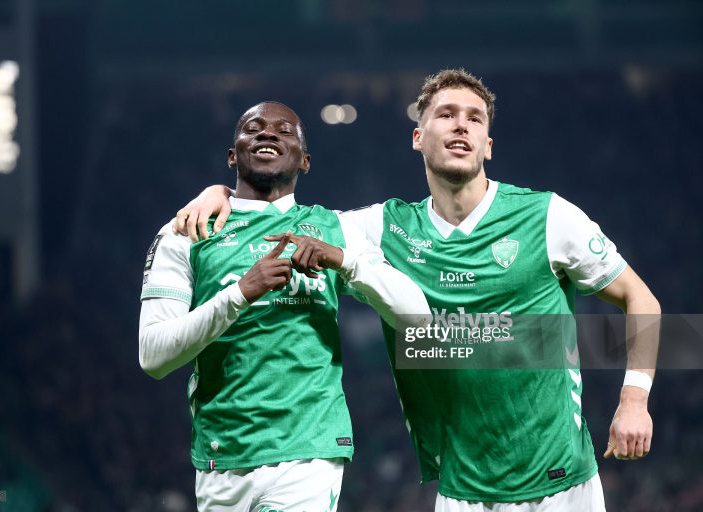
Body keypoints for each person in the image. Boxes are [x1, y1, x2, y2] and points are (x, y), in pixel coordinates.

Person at [173, 70, 661, 511]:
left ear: (488, 144)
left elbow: (642, 300)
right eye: (446, 115)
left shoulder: (548, 217)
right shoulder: (385, 227)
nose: (461, 126)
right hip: (462, 488)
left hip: (563, 483)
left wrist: (635, 400)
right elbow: (284, 216)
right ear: (418, 137)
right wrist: (223, 193)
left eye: (474, 118)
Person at [139, 101, 430, 512]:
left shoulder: (334, 228)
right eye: (253, 128)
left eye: (285, 130)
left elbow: (418, 317)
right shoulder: (186, 233)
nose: (267, 133)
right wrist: (240, 294)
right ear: (232, 155)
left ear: (305, 161)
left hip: (309, 453)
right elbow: (153, 356)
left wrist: (343, 261)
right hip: (222, 455)